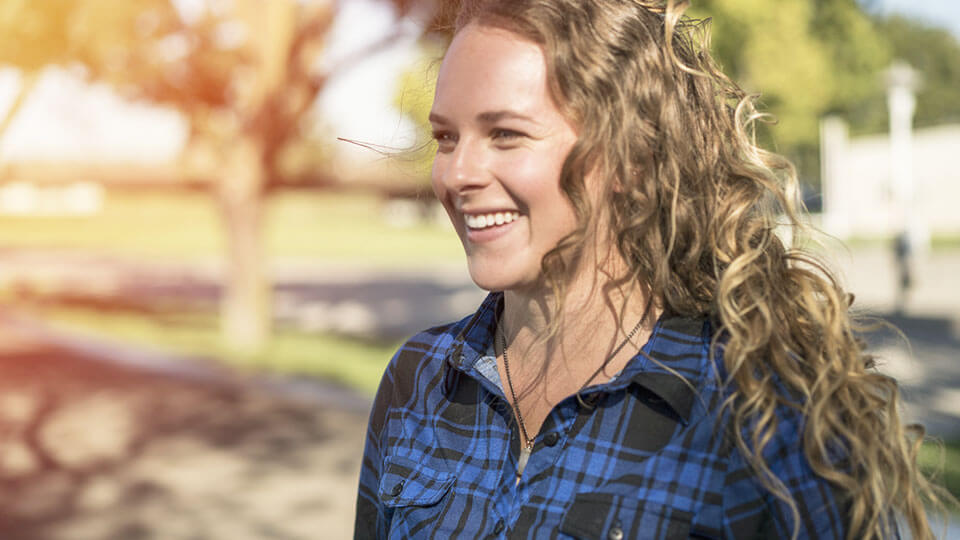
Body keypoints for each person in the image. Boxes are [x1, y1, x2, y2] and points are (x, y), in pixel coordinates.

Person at [355, 1, 947, 538]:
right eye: (446, 137)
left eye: (505, 134)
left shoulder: (756, 414)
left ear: (631, 156)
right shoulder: (417, 383)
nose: (457, 175)